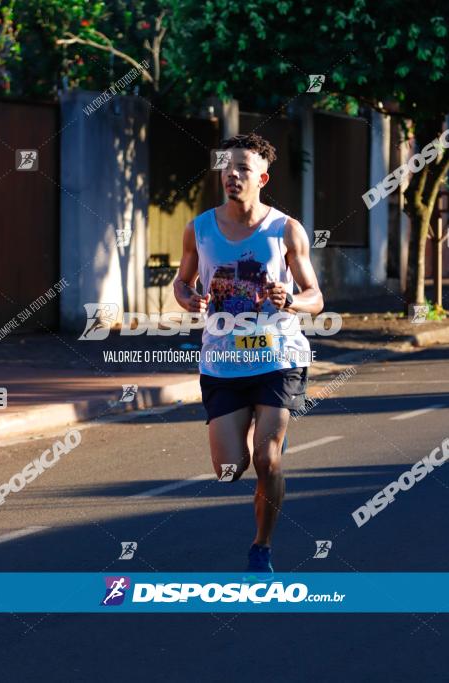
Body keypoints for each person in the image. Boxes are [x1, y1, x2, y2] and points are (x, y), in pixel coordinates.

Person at [174, 133, 323, 572]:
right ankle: (257, 448)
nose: (232, 175)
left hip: (279, 356)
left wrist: (291, 300)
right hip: (223, 361)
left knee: (267, 458)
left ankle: (262, 546)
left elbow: (316, 296)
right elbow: (182, 282)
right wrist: (188, 299)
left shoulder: (285, 229)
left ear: (262, 177)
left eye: (242, 169)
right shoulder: (198, 228)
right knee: (229, 467)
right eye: (227, 167)